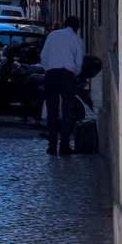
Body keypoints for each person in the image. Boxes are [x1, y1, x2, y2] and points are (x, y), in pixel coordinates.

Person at [40, 14, 84, 155]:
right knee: (67, 111)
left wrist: (49, 69)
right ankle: (64, 146)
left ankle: (52, 146)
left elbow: (44, 56)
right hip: (67, 76)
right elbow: (79, 63)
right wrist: (73, 74)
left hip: (52, 74)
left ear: (65, 24)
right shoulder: (77, 40)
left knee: (52, 111)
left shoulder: (52, 35)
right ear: (76, 27)